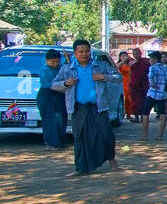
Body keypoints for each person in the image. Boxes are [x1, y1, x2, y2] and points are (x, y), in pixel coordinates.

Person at [53, 39, 123, 175]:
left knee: (106, 135)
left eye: (86, 51)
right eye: (81, 52)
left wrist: (103, 77)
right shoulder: (67, 69)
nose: (84, 54)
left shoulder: (100, 66)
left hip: (98, 106)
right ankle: (80, 167)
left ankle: (112, 160)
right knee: (80, 138)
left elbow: (118, 77)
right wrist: (66, 83)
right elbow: (54, 85)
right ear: (75, 53)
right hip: (78, 108)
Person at [36, 49, 68, 148]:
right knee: (50, 120)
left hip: (59, 96)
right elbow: (51, 85)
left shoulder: (60, 67)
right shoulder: (44, 70)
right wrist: (65, 85)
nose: (55, 64)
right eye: (52, 62)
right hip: (47, 96)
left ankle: (60, 141)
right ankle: (51, 143)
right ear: (47, 60)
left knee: (61, 119)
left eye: (57, 61)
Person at [142, 50, 167, 141]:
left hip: (152, 93)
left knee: (145, 113)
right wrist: (165, 83)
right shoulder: (166, 69)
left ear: (154, 59)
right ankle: (160, 136)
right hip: (162, 94)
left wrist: (152, 83)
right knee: (163, 114)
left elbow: (150, 77)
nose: (150, 61)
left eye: (151, 59)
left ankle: (145, 135)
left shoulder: (152, 68)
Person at [128, 49, 151, 123]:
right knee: (134, 102)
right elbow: (130, 73)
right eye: (134, 54)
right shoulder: (131, 63)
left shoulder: (146, 61)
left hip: (144, 84)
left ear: (141, 53)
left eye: (137, 54)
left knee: (143, 101)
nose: (136, 55)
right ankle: (136, 116)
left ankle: (142, 117)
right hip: (134, 85)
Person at [116, 51, 133, 120]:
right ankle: (122, 113)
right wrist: (123, 61)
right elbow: (117, 66)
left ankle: (129, 114)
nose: (124, 57)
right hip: (121, 84)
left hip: (129, 84)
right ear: (120, 57)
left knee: (129, 100)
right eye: (122, 56)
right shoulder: (119, 64)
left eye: (125, 56)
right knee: (123, 99)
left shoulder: (130, 64)